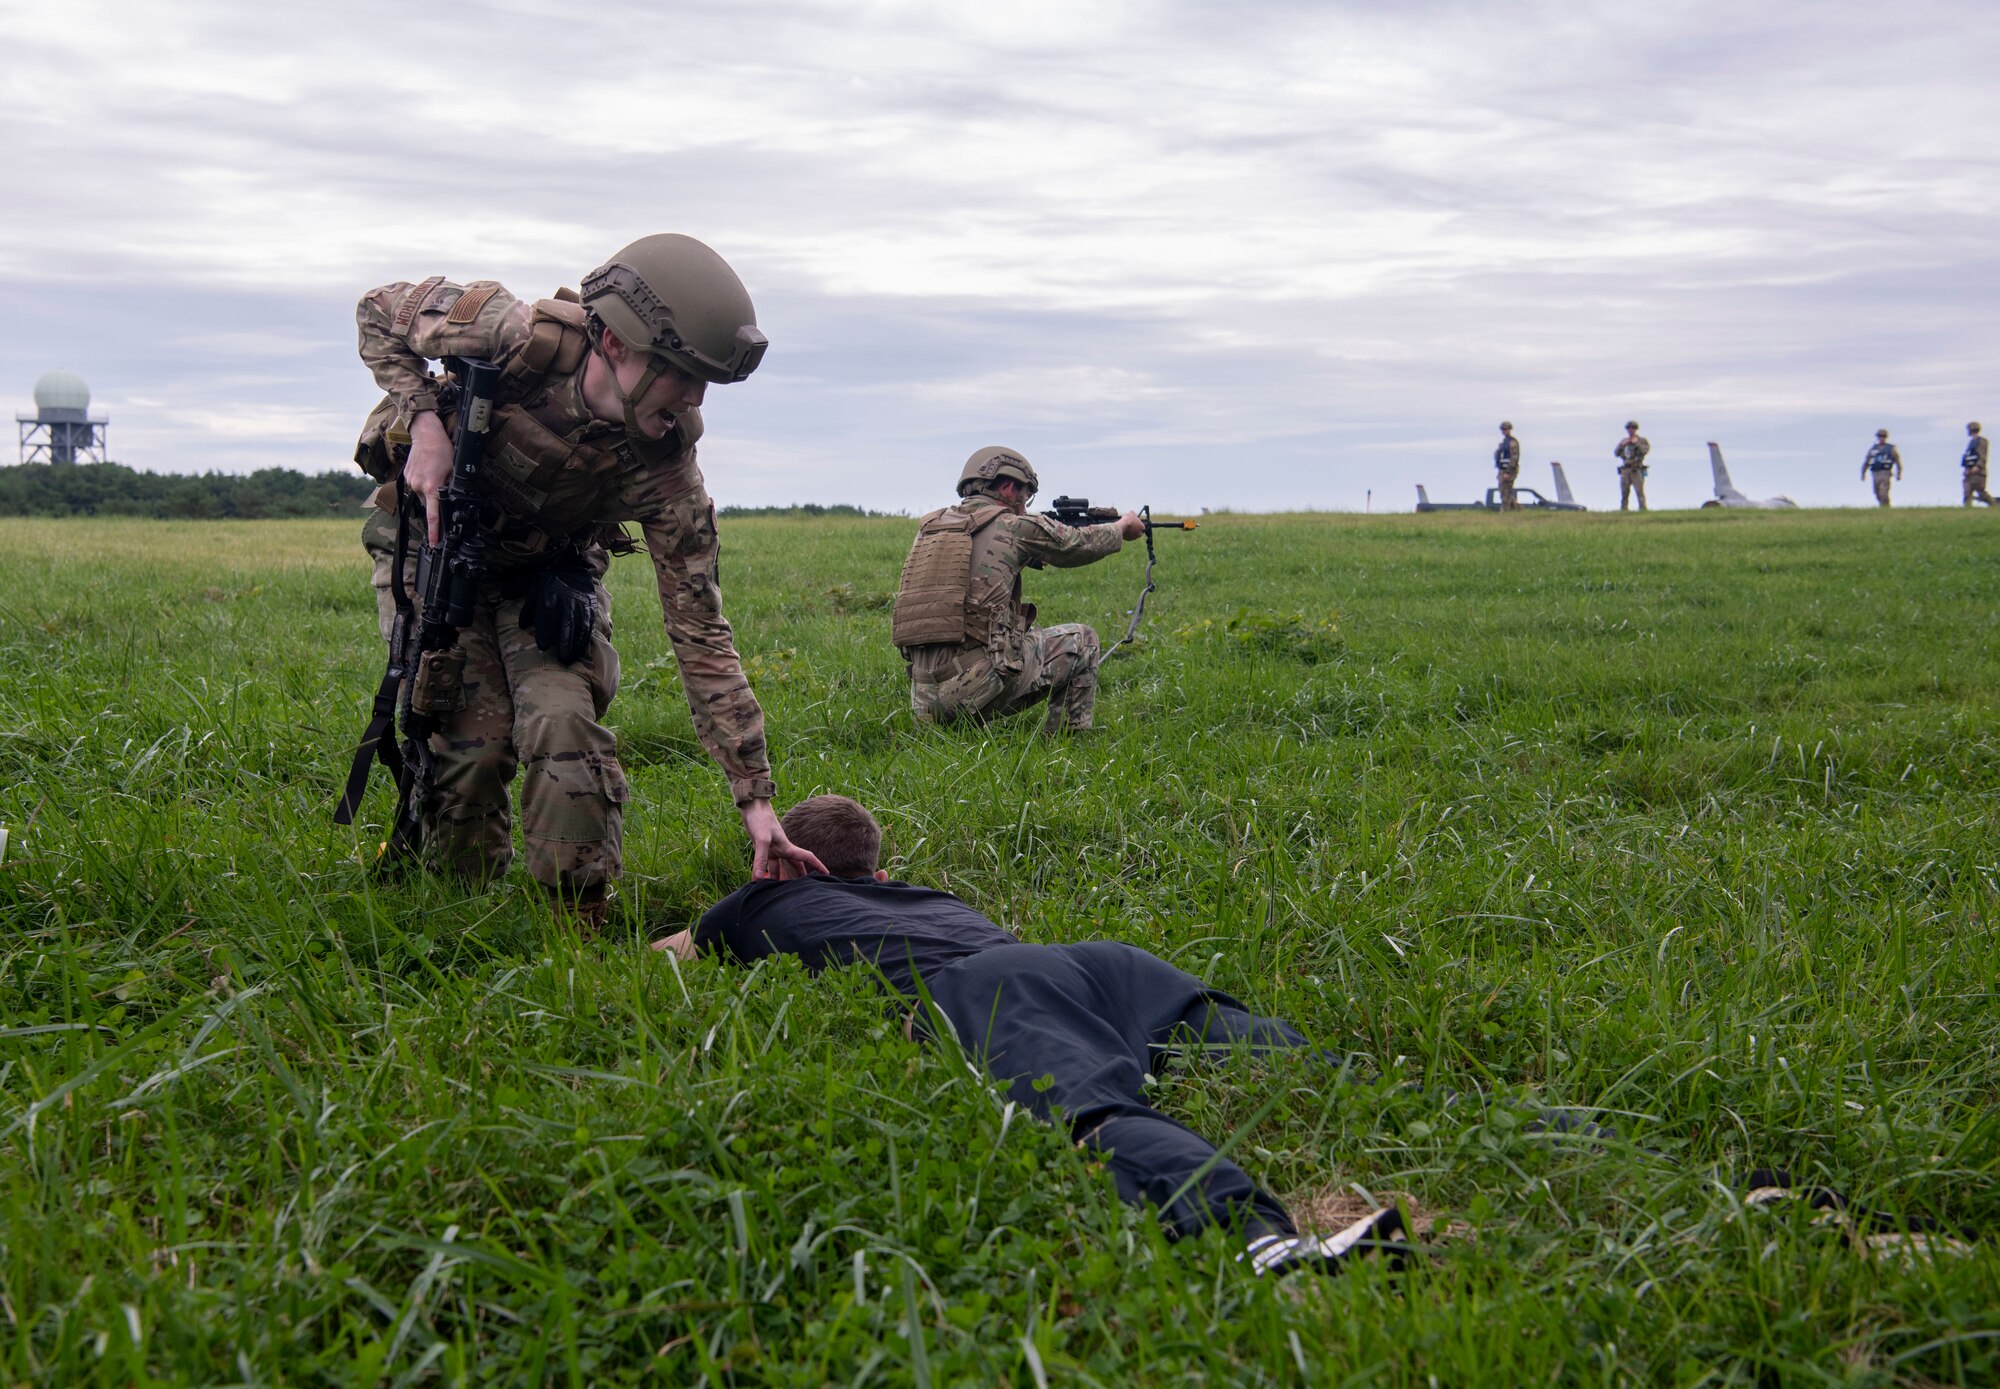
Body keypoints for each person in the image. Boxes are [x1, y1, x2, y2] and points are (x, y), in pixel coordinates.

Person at [653, 795, 1413, 1276]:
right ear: (877, 873)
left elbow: (668, 952)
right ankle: (1408, 1096)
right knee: (1227, 1036)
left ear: (790, 872)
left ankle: (1256, 1236)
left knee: (1083, 1107)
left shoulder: (758, 903)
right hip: (1088, 961)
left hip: (988, 990)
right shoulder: (928, 894)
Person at [347, 234, 823, 928]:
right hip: (437, 554)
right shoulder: (511, 334)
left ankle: (579, 928)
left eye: (704, 380)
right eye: (676, 370)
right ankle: (456, 915)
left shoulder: (663, 465)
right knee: (467, 755)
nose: (692, 398)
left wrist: (755, 800)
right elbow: (377, 310)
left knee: (564, 724)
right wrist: (424, 421)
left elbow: (702, 634)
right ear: (615, 343)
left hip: (547, 577)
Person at [892, 448, 1144, 734]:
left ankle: (949, 728)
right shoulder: (1014, 525)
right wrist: (1122, 527)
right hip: (971, 691)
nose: (1025, 507)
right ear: (1009, 487)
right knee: (1083, 640)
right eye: (1025, 496)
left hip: (923, 699)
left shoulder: (930, 529)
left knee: (1019, 635)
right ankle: (1068, 741)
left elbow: (976, 571)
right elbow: (1077, 544)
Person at [1614, 421, 1650, 512]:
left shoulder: (1642, 440)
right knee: (1624, 492)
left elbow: (1645, 451)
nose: (1630, 430)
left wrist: (1636, 443)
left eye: (1633, 428)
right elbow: (1616, 453)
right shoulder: (1624, 441)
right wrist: (1622, 445)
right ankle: (1624, 509)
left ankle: (1642, 509)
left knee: (1639, 491)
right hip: (1625, 469)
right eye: (1629, 428)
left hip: (1636, 469)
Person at [1862, 429, 1902, 507]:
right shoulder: (1873, 449)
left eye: (1883, 436)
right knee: (1876, 491)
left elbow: (1897, 461)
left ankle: (1885, 506)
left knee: (1884, 491)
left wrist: (1899, 473)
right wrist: (1863, 473)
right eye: (1880, 436)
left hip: (1886, 472)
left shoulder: (1891, 449)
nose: (1881, 438)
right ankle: (1883, 505)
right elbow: (1867, 461)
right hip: (1875, 473)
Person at [1962, 422, 1992, 507]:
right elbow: (1969, 457)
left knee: (1981, 492)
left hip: (1978, 472)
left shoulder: (1982, 441)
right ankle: (1967, 509)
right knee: (1967, 492)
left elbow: (1983, 455)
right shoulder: (1971, 442)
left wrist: (1978, 466)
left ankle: (1994, 506)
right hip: (1969, 471)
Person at [1494, 422, 1521, 511]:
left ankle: (1505, 510)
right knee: (1503, 491)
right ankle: (1516, 509)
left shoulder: (1512, 442)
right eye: (1502, 430)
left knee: (1506, 491)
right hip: (1502, 469)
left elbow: (1514, 458)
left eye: (1505, 429)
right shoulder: (1504, 442)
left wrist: (1508, 472)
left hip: (1509, 470)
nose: (1504, 431)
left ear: (1509, 429)